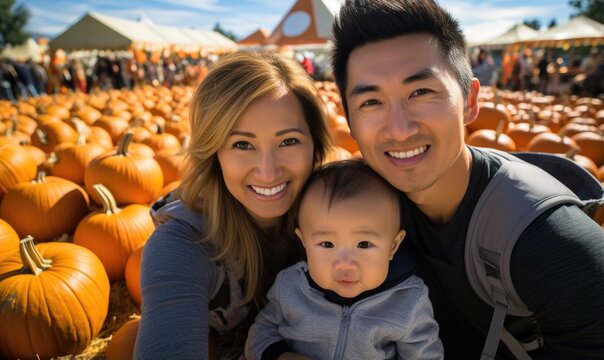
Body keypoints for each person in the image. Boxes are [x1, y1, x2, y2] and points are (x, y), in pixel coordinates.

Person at [331, 1, 604, 359]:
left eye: (421, 92)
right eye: (370, 102)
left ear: (470, 101)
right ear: (350, 122)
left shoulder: (550, 244)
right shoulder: (360, 206)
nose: (399, 130)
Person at [134, 51, 332, 359]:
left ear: (315, 146)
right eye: (242, 144)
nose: (268, 171)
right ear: (214, 153)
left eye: (288, 141)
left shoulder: (346, 211)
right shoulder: (184, 244)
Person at [245, 160, 443, 360]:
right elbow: (261, 332)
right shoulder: (290, 287)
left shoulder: (407, 302)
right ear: (304, 242)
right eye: (327, 245)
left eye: (364, 244)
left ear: (393, 246)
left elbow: (425, 355)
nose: (345, 264)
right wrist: (280, 356)